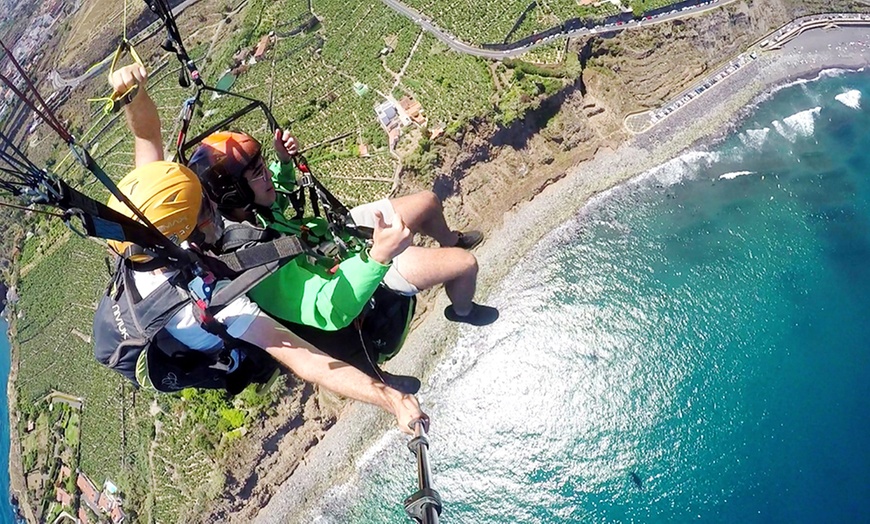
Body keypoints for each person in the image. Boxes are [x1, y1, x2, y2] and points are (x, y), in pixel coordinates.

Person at [100, 76, 426, 436]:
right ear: (187, 229)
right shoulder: (211, 301)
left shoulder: (144, 224)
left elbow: (147, 136)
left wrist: (133, 94)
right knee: (304, 330)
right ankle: (374, 370)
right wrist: (389, 399)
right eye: (207, 206)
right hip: (232, 341)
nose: (214, 208)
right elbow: (303, 360)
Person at [108, 64, 498, 330]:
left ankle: (448, 237)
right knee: (464, 264)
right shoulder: (251, 266)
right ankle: (461, 309)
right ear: (234, 191)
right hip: (351, 276)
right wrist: (379, 256)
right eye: (256, 171)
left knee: (428, 201)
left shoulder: (242, 207)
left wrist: (281, 164)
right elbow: (330, 310)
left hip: (331, 240)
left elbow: (148, 142)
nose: (266, 175)